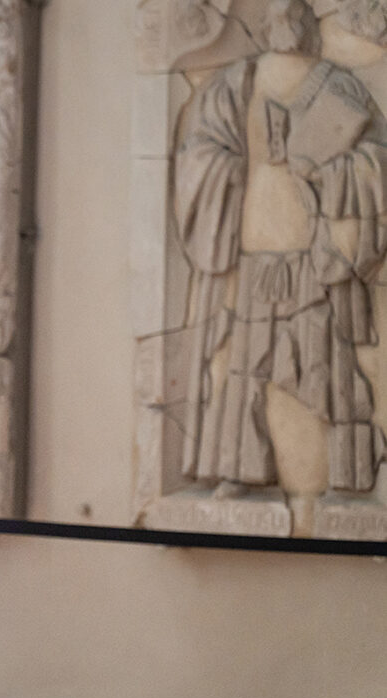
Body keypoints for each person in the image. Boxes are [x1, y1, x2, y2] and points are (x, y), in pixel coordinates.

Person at [174, 0, 386, 496]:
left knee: (328, 363)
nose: (288, 25)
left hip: (314, 255)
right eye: (278, 17)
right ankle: (238, 470)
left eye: (298, 17)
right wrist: (234, 168)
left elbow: (376, 163)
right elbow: (199, 153)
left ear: (311, 28)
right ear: (264, 25)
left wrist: (323, 168)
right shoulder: (235, 84)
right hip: (254, 253)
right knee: (247, 365)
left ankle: (353, 476)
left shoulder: (338, 86)